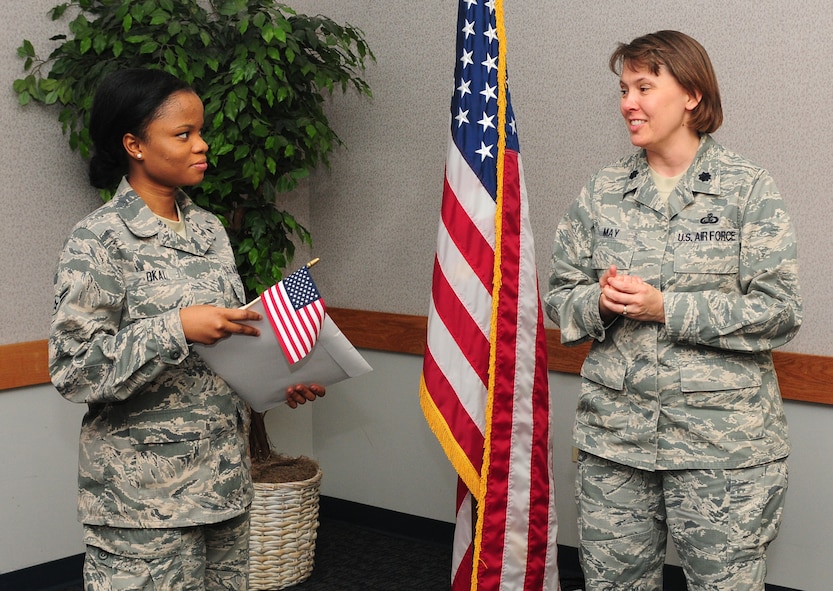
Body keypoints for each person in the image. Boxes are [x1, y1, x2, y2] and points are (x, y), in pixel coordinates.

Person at [545, 31, 802, 591]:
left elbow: (779, 310)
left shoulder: (746, 189)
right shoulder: (603, 191)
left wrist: (669, 308)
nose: (628, 103)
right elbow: (559, 295)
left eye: (644, 86)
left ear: (691, 94)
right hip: (615, 445)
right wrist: (598, 302)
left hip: (722, 451)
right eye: (623, 89)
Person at [49, 68, 324, 591]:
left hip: (222, 485)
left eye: (201, 131)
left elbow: (227, 345)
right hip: (142, 509)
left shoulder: (209, 229)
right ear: (133, 144)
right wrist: (175, 326)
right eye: (183, 134)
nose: (203, 145)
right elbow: (74, 371)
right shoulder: (97, 240)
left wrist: (274, 381)